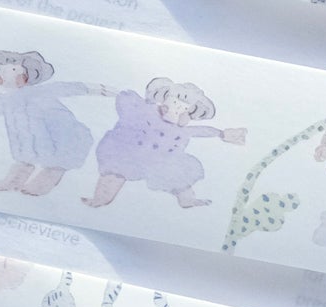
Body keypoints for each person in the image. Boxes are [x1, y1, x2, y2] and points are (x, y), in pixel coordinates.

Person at [83, 77, 246, 211]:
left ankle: (187, 200)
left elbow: (200, 130)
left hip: (159, 160)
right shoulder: (146, 111)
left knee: (179, 177)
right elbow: (126, 98)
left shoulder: (180, 129)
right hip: (130, 151)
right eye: (174, 102)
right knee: (114, 173)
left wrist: (221, 134)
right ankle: (100, 199)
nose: (177, 108)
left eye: (184, 108)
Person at [0, 49, 97, 197]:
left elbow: (63, 88)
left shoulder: (39, 92)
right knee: (24, 157)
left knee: (52, 162)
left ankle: (41, 185)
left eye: (15, 71)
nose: (3, 75)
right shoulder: (7, 98)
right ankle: (13, 182)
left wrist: (89, 88)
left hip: (52, 133)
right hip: (25, 136)